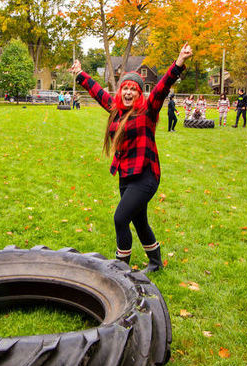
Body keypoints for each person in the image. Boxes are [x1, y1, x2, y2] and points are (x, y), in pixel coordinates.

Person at [69, 43, 193, 273]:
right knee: (138, 220)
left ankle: (120, 268)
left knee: (120, 218)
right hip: (126, 175)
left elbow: (162, 87)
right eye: (124, 88)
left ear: (139, 93)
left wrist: (178, 63)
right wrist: (80, 74)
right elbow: (98, 92)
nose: (128, 92)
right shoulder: (116, 109)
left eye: (133, 89)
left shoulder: (148, 110)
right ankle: (155, 263)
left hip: (145, 176)